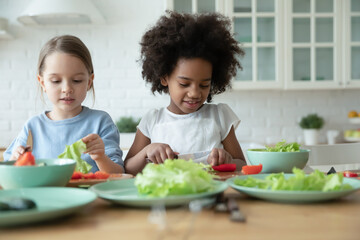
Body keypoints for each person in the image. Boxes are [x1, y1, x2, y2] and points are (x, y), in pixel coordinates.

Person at [125, 11, 247, 175]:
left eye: (204, 84)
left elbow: (242, 165)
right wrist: (147, 151)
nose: (195, 93)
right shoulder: (152, 120)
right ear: (164, 78)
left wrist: (228, 160)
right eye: (184, 84)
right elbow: (128, 168)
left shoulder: (219, 115)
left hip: (210, 193)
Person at [3, 35, 124, 173]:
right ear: (42, 83)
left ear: (89, 82)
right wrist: (16, 158)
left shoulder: (101, 122)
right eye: (55, 81)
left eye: (77, 80)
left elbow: (119, 174)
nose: (67, 89)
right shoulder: (32, 127)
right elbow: (9, 171)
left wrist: (100, 157)